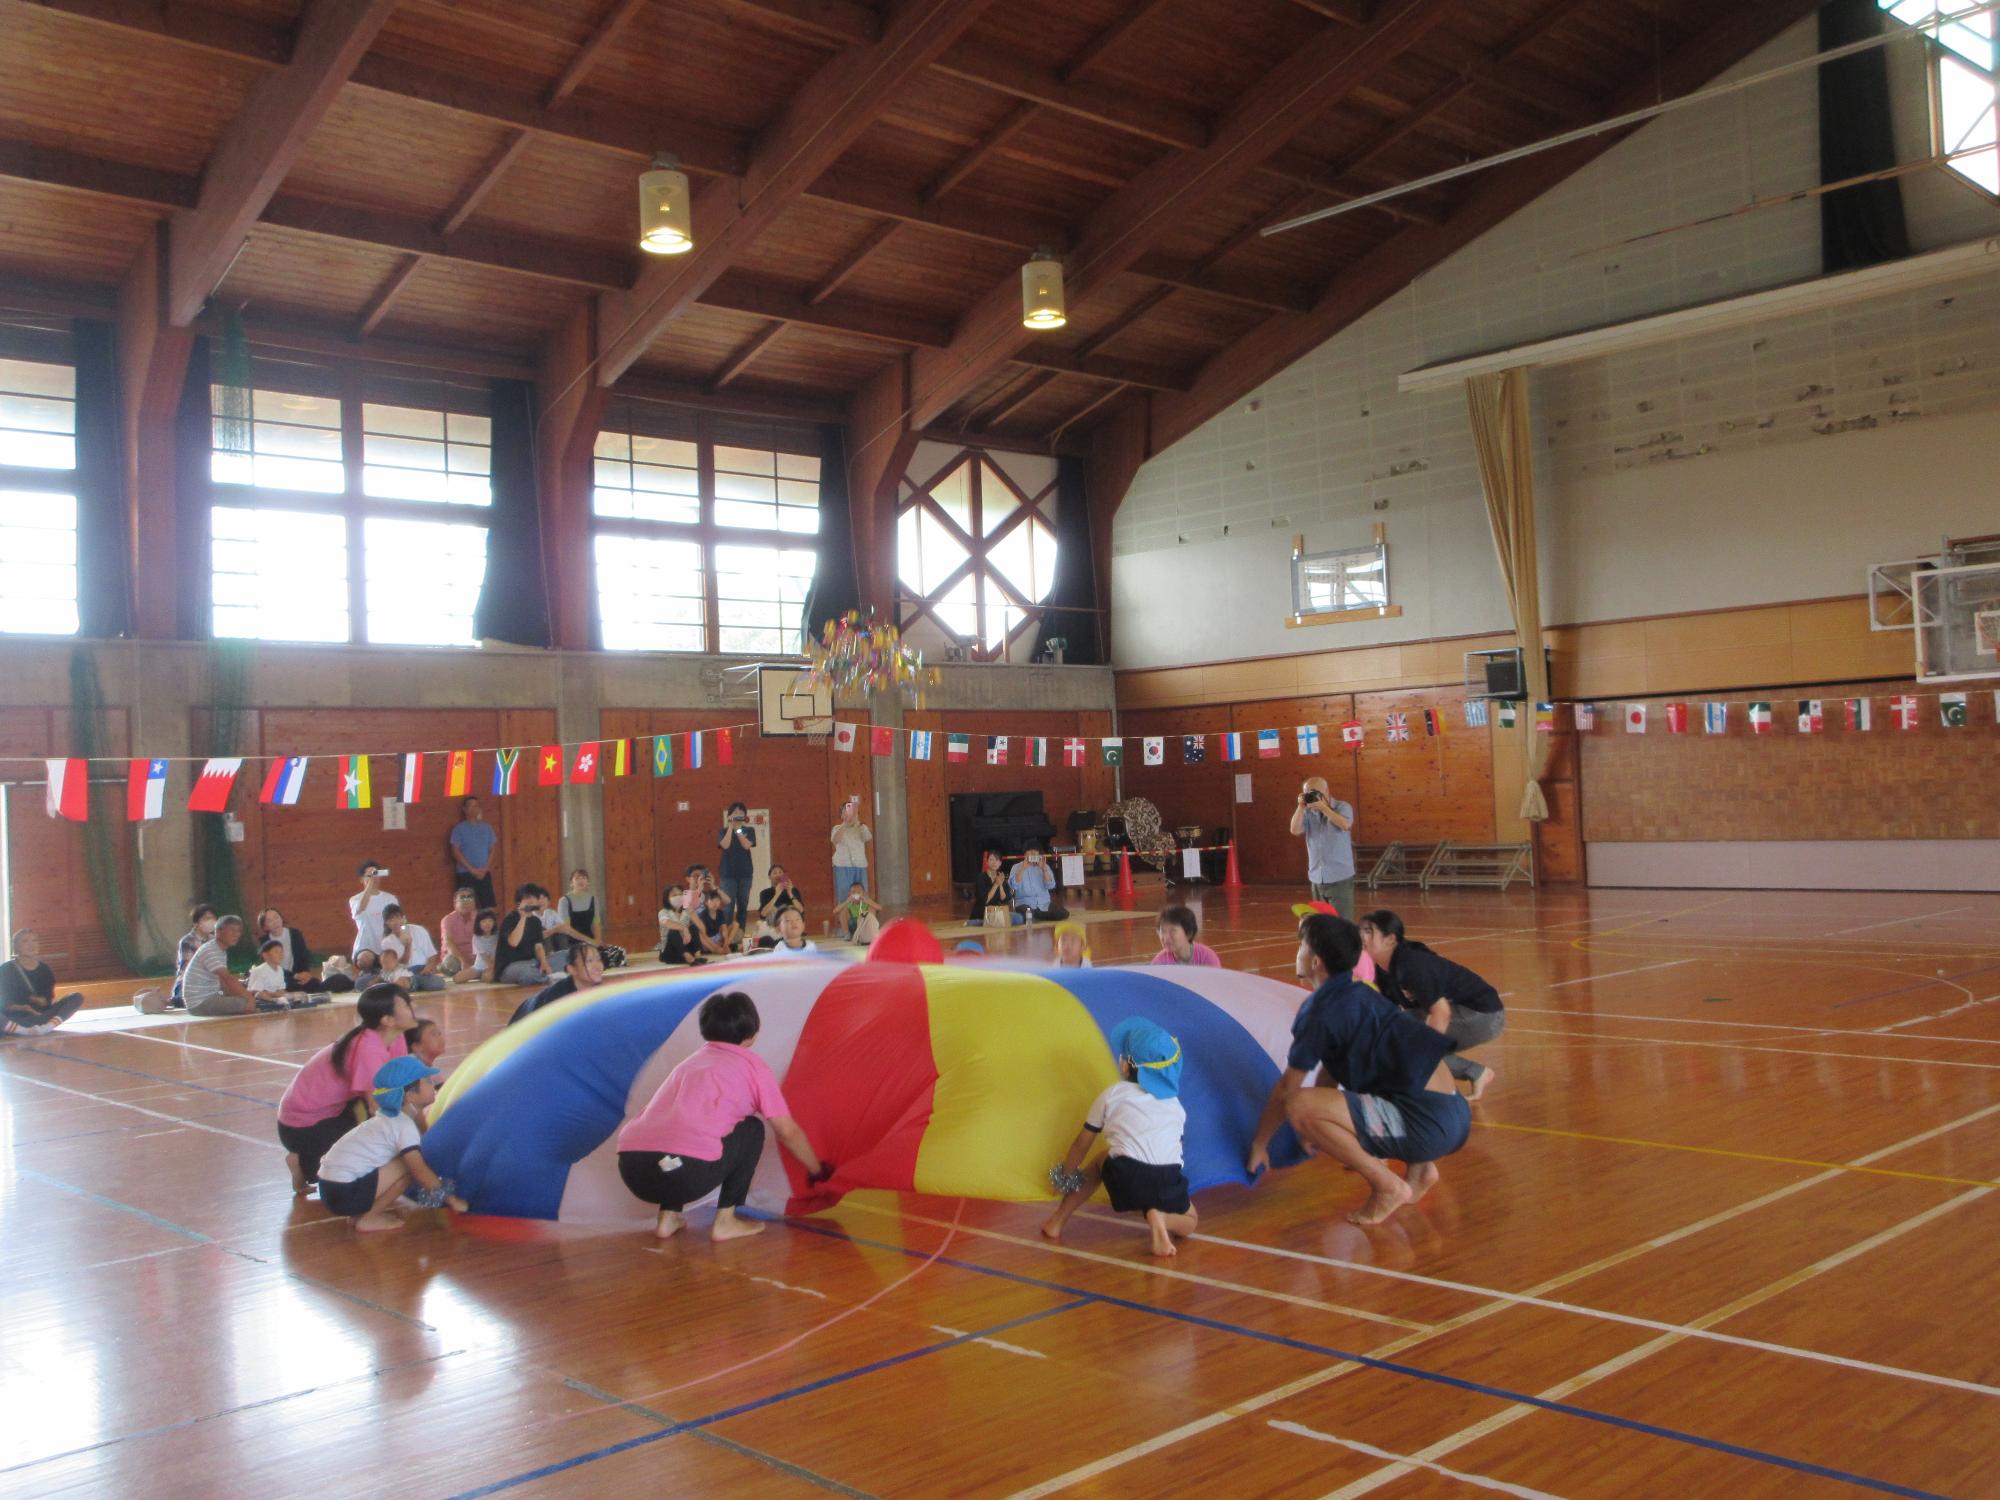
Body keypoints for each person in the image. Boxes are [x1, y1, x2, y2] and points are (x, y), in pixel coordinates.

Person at [1247, 914, 1470, 1226]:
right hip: (1454, 1115)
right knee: (1325, 1103)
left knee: (1298, 1104)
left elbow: (1288, 1089)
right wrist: (1319, 1127)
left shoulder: (1320, 1012)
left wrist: (1260, 1143)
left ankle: (1387, 1185)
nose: (1297, 952)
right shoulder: (1362, 993)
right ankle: (1421, 1170)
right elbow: (1336, 1063)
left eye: (1301, 946)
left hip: (1427, 1124)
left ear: (1316, 962)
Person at [616, 990, 826, 1242]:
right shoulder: (753, 1067)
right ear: (752, 1036)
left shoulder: (688, 1065)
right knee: (752, 1129)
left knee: (679, 1135)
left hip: (633, 1169)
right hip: (686, 1173)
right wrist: (817, 1170)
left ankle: (668, 1217)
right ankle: (725, 1221)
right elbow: (787, 1132)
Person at [1041, 1018, 1195, 1257]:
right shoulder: (1175, 1105)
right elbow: (1175, 1149)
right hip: (1166, 1178)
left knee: (1102, 1160)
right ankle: (1160, 1216)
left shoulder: (1112, 1094)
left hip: (1126, 1177)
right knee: (1191, 1221)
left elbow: (1081, 1143)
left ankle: (1057, 1221)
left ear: (1126, 1066)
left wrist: (1064, 1177)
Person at [275, 983, 413, 1192]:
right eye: (405, 1004)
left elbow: (398, 1085)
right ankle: (302, 1162)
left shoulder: (396, 1038)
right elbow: (378, 1107)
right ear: (387, 1020)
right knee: (351, 1166)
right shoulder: (369, 1048)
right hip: (301, 1125)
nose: (412, 1008)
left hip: (335, 1111)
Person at [1361, 910, 1506, 1100]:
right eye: (1361, 930)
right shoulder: (1382, 971)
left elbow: (1441, 1012)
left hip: (1483, 1015)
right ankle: (1475, 1072)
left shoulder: (1412, 964)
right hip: (1460, 1013)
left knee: (1406, 1036)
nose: (1362, 936)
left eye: (1369, 931)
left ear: (1390, 939)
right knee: (1395, 1034)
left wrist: (1421, 1052)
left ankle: (1429, 1095)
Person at [314, 1057, 464, 1231]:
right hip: (343, 1192)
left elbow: (423, 1134)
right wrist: (451, 1200)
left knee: (403, 1162)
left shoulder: (387, 1118)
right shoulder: (403, 1125)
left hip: (329, 1188)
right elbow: (420, 1171)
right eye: (428, 1082)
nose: (434, 1085)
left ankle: (360, 1214)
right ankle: (369, 1218)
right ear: (410, 1095)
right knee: (410, 1168)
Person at [1288, 778, 1356, 917]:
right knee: (1321, 923)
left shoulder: (1342, 807)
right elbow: (1294, 830)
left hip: (1340, 877)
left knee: (1342, 922)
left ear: (1326, 791)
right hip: (1317, 877)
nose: (1311, 797)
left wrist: (1324, 808)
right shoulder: (1307, 812)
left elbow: (1345, 825)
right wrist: (1300, 807)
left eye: (1313, 793)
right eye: (1307, 793)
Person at [2, 929, 85, 1036]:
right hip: (13, 1019)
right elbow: (5, 1004)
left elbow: (47, 999)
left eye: (34, 941)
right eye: (25, 941)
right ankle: (22, 1031)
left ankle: (47, 1027)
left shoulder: (45, 969)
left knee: (76, 997)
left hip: (40, 1017)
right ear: (16, 946)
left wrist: (43, 1002)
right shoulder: (6, 969)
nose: (31, 945)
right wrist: (25, 1008)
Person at [181, 915, 261, 1017]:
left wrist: (238, 995)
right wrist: (249, 998)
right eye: (232, 931)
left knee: (247, 1000)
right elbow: (228, 979)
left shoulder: (220, 950)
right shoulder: (210, 950)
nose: (236, 935)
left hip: (209, 998)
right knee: (246, 1003)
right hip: (200, 1003)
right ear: (218, 931)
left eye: (238, 931)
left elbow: (222, 981)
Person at [545, 869, 625, 969]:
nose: (580, 881)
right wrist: (590, 941)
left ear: (588, 882)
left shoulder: (593, 899)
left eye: (583, 878)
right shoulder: (564, 900)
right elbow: (566, 928)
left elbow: (596, 924)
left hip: (589, 939)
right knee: (585, 956)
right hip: (570, 941)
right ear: (571, 883)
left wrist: (598, 941)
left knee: (618, 952)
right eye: (577, 878)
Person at [508, 943, 604, 1026]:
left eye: (599, 960)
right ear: (571, 969)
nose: (597, 966)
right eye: (590, 961)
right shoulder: (559, 1000)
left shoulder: (597, 994)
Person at [254, 907, 333, 991]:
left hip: (297, 976)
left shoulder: (295, 934)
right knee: (283, 986)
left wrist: (305, 973)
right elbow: (269, 966)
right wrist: (293, 976)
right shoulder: (264, 941)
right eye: (269, 921)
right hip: (278, 977)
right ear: (264, 927)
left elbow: (304, 955)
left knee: (313, 983)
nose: (275, 922)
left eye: (276, 918)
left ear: (281, 919)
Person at [448, 796, 498, 911]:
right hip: (465, 873)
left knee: (489, 906)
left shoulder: (487, 828)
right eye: (470, 806)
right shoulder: (459, 829)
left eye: (476, 806)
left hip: (484, 873)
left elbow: (492, 849)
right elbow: (455, 851)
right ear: (464, 809)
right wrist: (472, 870)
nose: (473, 809)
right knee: (466, 908)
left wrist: (485, 868)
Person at [495, 885, 551, 986]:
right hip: (510, 967)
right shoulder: (510, 918)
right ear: (519, 902)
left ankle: (543, 974)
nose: (530, 900)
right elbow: (513, 942)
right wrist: (523, 917)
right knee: (529, 972)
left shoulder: (536, 921)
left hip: (533, 962)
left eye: (533, 897)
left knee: (565, 956)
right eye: (526, 898)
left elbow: (538, 946)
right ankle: (548, 976)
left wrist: (543, 962)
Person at [167, 904, 218, 1009]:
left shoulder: (215, 941)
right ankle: (175, 1000)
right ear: (196, 923)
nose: (211, 921)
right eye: (207, 919)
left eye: (213, 918)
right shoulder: (187, 941)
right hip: (188, 982)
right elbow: (187, 970)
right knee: (185, 1000)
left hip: (210, 982)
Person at [717, 803, 757, 931]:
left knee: (742, 905)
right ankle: (727, 937)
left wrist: (738, 830)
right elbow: (725, 845)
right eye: (735, 812)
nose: (738, 814)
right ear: (729, 815)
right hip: (727, 874)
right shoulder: (723, 831)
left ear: (745, 816)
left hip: (745, 873)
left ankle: (740, 936)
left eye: (741, 812)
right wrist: (731, 827)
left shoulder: (749, 830)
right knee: (728, 906)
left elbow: (746, 845)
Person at [349, 861, 401, 958]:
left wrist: (404, 933)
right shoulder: (355, 899)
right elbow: (361, 908)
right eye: (369, 875)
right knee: (365, 959)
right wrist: (370, 884)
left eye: (376, 874)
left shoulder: (391, 898)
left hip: (388, 945)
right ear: (361, 879)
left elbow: (402, 920)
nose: (374, 878)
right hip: (366, 947)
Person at [1008, 846, 1069, 922]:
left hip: (1044, 903)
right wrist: (1023, 868)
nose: (1033, 853)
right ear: (1025, 854)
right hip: (1025, 903)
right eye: (1030, 851)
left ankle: (1037, 915)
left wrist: (1044, 870)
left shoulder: (1044, 866)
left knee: (1063, 913)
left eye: (1035, 851)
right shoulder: (1016, 867)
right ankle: (1037, 915)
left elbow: (1051, 886)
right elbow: (1014, 886)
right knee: (1027, 915)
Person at [1151, 905, 1221, 967]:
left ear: (1188, 933)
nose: (1166, 937)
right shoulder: (1159, 963)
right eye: (1162, 931)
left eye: (1172, 931)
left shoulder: (1207, 957)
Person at [754, 865, 806, 945]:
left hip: (789, 924)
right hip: (774, 926)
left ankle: (788, 935)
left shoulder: (793, 890)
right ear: (769, 877)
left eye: (780, 872)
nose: (778, 875)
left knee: (790, 909)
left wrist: (790, 893)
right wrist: (777, 894)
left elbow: (801, 910)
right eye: (774, 873)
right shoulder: (765, 893)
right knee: (773, 909)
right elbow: (763, 914)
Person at [831, 798, 872, 897]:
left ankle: (862, 912)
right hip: (842, 866)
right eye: (846, 811)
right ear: (842, 815)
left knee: (862, 894)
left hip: (860, 865)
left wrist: (857, 822)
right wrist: (845, 824)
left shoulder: (862, 827)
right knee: (844, 895)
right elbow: (835, 840)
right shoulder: (837, 828)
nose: (850, 814)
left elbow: (867, 837)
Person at [747, 907, 819, 959]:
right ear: (778, 929)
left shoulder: (811, 945)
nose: (794, 922)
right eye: (788, 920)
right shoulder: (780, 948)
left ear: (803, 925)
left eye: (797, 919)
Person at [439, 888, 479, 981]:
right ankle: (471, 973)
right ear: (455, 902)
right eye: (462, 898)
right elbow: (449, 943)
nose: (466, 901)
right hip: (456, 957)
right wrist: (463, 961)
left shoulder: (480, 918)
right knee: (450, 963)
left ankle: (470, 972)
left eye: (469, 898)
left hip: (475, 956)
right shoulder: (447, 920)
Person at [967, 850, 1016, 925]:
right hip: (982, 913)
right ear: (987, 862)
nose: (994, 862)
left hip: (997, 912)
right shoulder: (981, 878)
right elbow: (984, 901)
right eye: (991, 859)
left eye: (997, 860)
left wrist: (1000, 885)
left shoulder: (1001, 878)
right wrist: (996, 884)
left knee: (1018, 917)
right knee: (977, 922)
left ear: (1000, 863)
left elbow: (1004, 900)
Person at [658, 885, 699, 966]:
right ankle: (688, 957)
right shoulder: (663, 912)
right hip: (671, 953)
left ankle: (697, 955)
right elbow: (667, 923)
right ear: (667, 898)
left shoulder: (686, 912)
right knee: (673, 931)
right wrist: (684, 928)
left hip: (687, 948)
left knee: (693, 927)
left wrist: (692, 912)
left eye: (680, 895)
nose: (678, 897)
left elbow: (700, 927)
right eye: (674, 895)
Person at [693, 887, 736, 959]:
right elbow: (703, 934)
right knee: (699, 934)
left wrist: (726, 943)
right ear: (706, 902)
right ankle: (715, 950)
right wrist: (715, 946)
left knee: (735, 924)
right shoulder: (703, 914)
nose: (715, 903)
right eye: (712, 900)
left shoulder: (720, 912)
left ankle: (726, 946)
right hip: (707, 940)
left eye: (717, 900)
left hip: (717, 937)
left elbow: (724, 929)